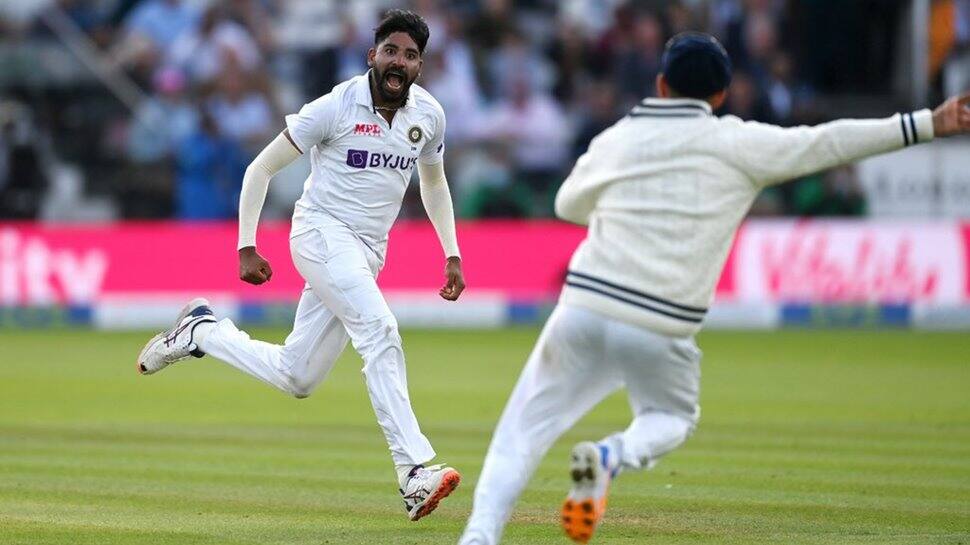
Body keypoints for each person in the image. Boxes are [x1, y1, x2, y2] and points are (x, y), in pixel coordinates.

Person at [458, 32, 970, 545]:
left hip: (585, 306)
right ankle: (613, 455)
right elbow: (826, 142)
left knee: (519, 434)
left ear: (660, 85)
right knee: (670, 416)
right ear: (722, 96)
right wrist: (928, 122)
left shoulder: (619, 137)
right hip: (662, 324)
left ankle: (479, 537)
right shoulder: (738, 142)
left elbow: (567, 206)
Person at [137, 10, 466, 522]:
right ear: (372, 55)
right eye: (392, 51)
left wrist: (451, 252)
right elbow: (260, 167)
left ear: (420, 64)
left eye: (411, 55)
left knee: (299, 376)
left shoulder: (429, 116)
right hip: (319, 234)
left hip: (368, 251)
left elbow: (435, 184)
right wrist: (246, 245)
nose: (399, 62)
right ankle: (414, 471)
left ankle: (201, 333)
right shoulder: (335, 106)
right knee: (379, 329)